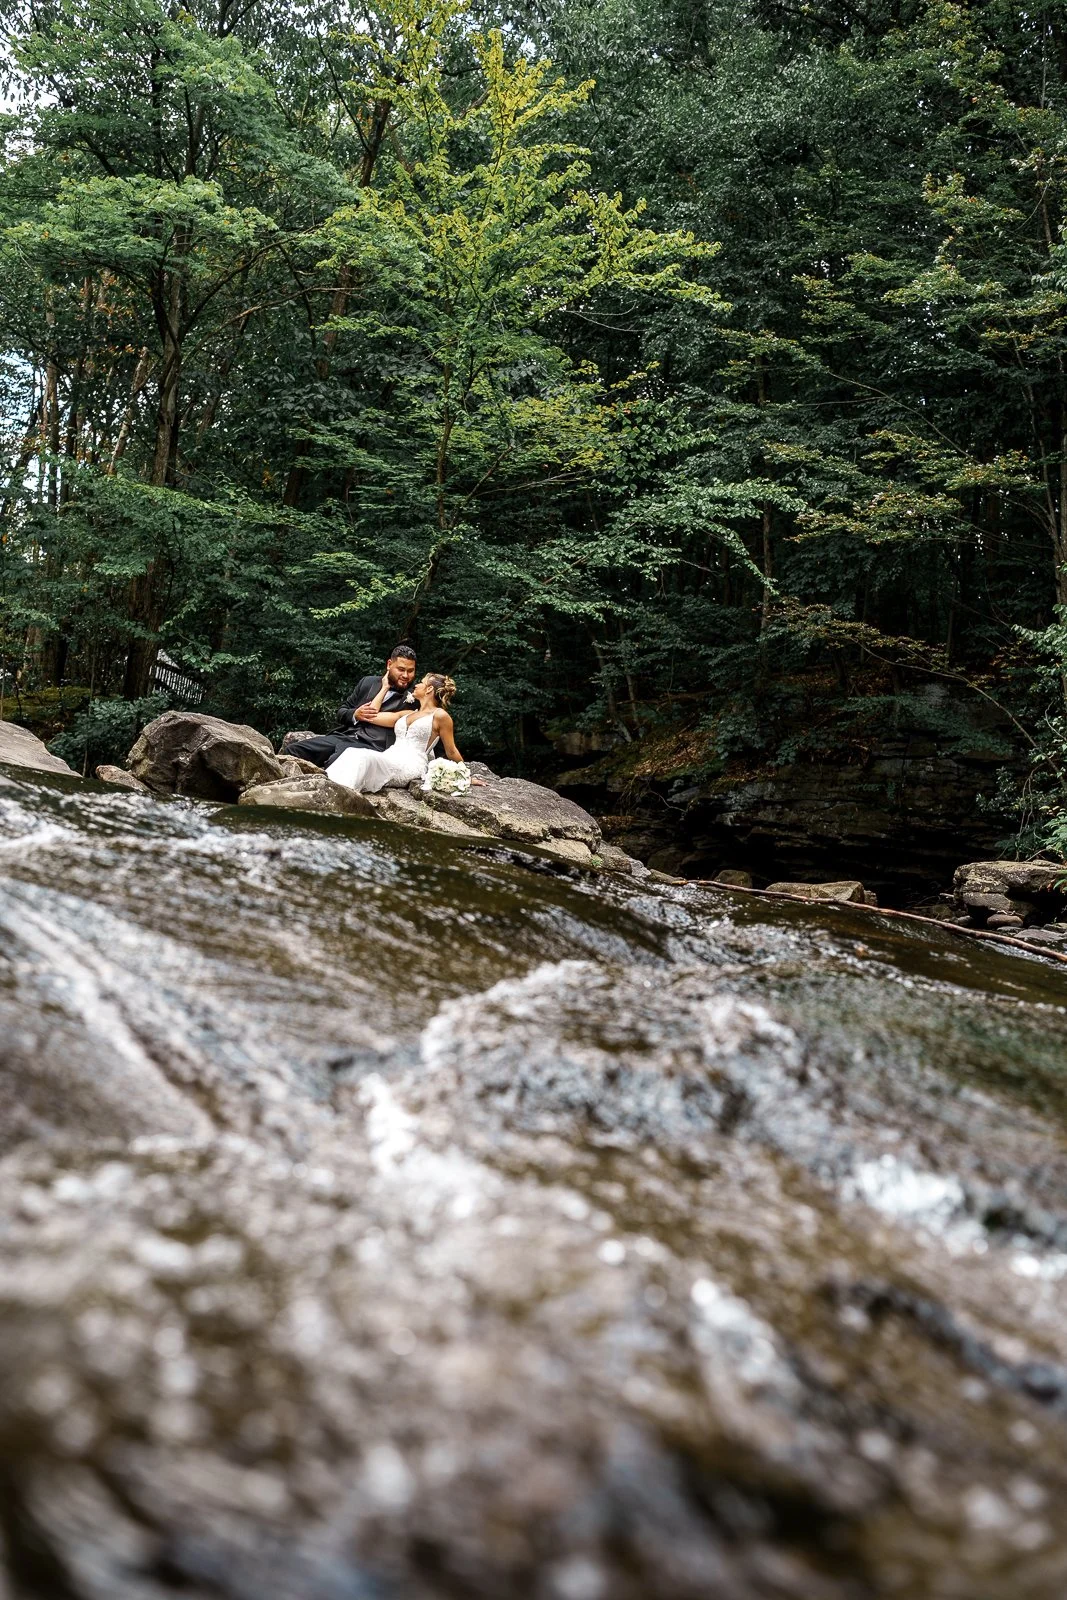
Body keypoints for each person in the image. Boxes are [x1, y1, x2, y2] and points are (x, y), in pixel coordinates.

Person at [327, 671, 480, 793]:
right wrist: (384, 687)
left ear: (429, 689)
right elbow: (370, 715)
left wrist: (465, 775)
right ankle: (327, 788)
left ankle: (338, 795)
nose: (416, 685)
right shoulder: (406, 714)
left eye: (421, 682)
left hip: (411, 764)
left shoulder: (440, 716)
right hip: (389, 757)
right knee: (352, 751)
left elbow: (451, 751)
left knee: (363, 756)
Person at [283, 645, 419, 770]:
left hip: (373, 746)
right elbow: (341, 712)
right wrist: (355, 714)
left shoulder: (416, 696)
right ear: (389, 664)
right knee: (294, 750)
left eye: (410, 671)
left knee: (335, 763)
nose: (406, 676)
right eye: (401, 669)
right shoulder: (368, 682)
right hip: (344, 737)